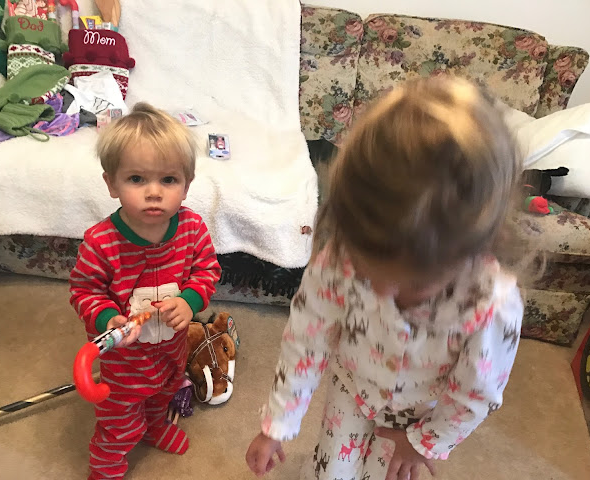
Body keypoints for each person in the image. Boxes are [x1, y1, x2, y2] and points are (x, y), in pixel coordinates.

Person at [246, 77, 526, 480]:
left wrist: (424, 442)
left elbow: (474, 393)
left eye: (411, 284)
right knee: (330, 473)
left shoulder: (491, 304)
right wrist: (277, 423)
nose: (379, 291)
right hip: (352, 387)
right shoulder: (341, 255)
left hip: (417, 416)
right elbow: (306, 339)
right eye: (367, 268)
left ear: (472, 251)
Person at [69, 102, 221, 480]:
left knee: (163, 394)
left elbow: (206, 270)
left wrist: (189, 301)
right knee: (118, 424)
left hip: (171, 350)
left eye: (168, 180)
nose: (154, 192)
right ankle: (105, 469)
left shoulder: (192, 228)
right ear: (111, 184)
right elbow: (84, 290)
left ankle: (155, 427)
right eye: (137, 179)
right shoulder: (100, 242)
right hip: (124, 362)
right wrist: (108, 318)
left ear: (186, 184)